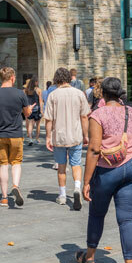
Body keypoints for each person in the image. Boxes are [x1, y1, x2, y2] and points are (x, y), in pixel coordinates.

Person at [76, 77, 132, 263]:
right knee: (127, 220)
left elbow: (94, 149)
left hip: (106, 171)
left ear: (103, 94)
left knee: (97, 214)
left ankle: (89, 258)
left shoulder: (97, 115)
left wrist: (86, 181)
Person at [0, 67, 34, 208]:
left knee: (3, 165)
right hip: (16, 134)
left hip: (0, 135)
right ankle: (15, 186)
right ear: (12, 78)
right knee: (16, 162)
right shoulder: (20, 94)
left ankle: (4, 198)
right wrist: (30, 109)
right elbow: (27, 114)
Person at [44, 67, 90, 209]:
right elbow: (84, 116)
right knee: (76, 163)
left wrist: (48, 137)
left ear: (57, 79)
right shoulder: (79, 94)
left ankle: (62, 195)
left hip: (59, 136)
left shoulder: (53, 95)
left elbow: (49, 119)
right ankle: (77, 187)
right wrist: (85, 134)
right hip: (75, 135)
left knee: (61, 166)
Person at [24, 76, 43, 146]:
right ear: (35, 82)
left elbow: (25, 99)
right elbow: (40, 101)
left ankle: (30, 139)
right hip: (36, 109)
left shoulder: (27, 90)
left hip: (29, 108)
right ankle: (37, 138)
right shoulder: (38, 90)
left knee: (30, 124)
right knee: (38, 125)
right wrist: (41, 110)